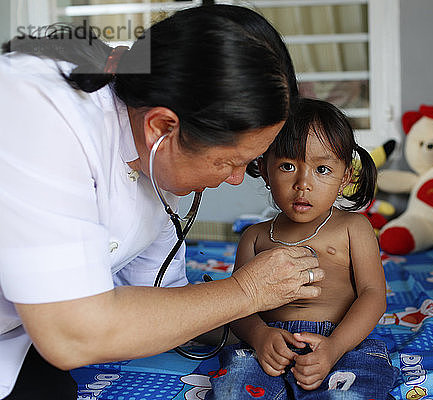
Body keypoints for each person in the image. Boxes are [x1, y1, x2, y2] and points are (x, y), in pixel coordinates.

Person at [0, 5, 325, 399]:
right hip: (51, 330)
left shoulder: (161, 133)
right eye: (228, 161)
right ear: (162, 127)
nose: (236, 178)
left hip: (22, 333)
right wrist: (247, 291)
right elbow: (74, 333)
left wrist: (257, 330)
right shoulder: (35, 111)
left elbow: (164, 299)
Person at [206, 98, 399, 400]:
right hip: (270, 347)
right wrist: (259, 336)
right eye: (287, 165)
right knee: (232, 389)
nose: (303, 183)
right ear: (264, 170)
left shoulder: (353, 228)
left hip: (341, 342)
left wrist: (334, 347)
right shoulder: (255, 237)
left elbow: (373, 295)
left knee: (356, 390)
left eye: (322, 169)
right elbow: (239, 303)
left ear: (345, 177)